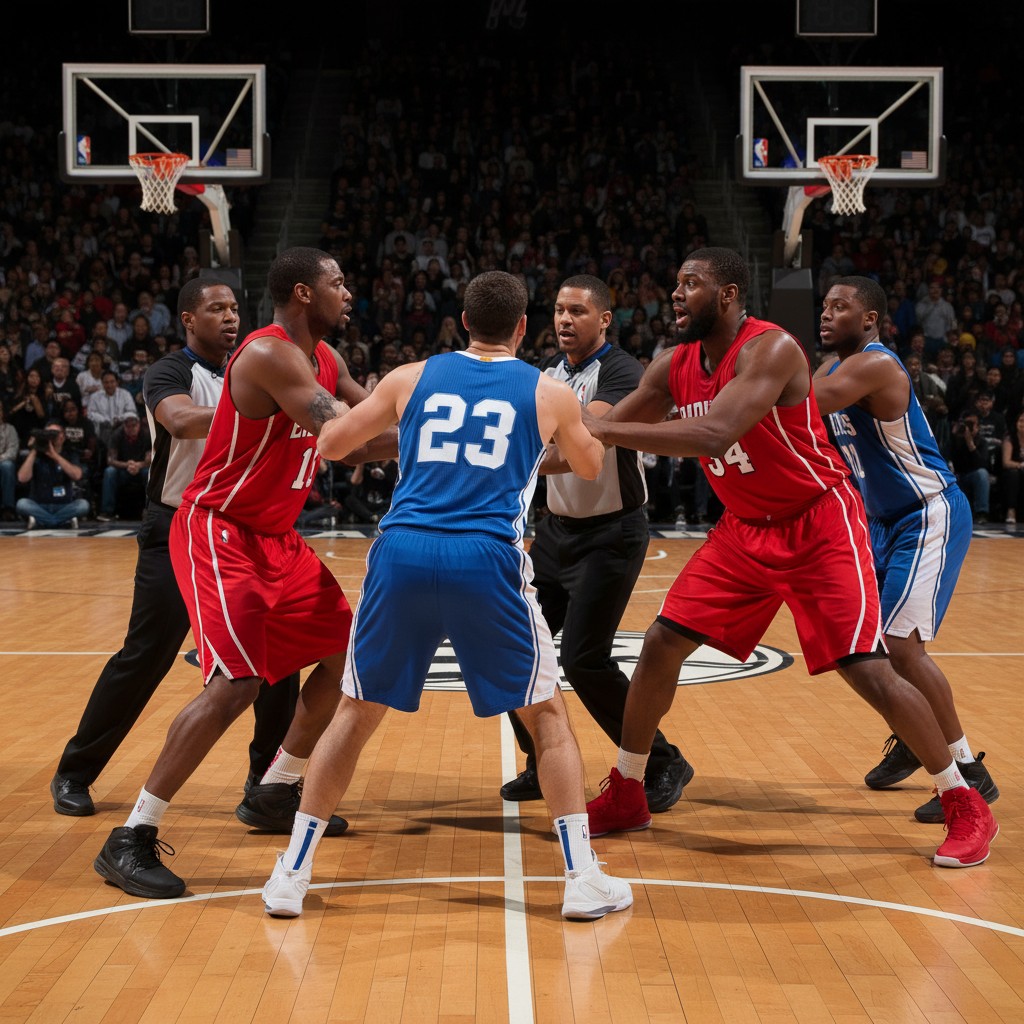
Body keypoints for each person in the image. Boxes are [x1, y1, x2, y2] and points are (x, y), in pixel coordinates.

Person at [581, 248, 998, 870]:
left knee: (869, 666)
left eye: (690, 284)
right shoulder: (672, 366)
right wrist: (536, 447)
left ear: (727, 295)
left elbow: (712, 434)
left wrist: (604, 430)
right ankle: (629, 787)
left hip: (817, 522)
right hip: (743, 529)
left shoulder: (772, 348)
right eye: (676, 283)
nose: (676, 294)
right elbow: (598, 434)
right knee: (662, 643)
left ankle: (964, 800)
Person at [261, 271, 632, 921]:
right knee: (547, 717)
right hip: (484, 557)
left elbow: (334, 444)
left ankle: (291, 873)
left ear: (462, 322)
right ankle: (581, 878)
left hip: (402, 552)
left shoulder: (410, 377)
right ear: (523, 328)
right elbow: (590, 465)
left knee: (354, 712)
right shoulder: (548, 391)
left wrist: (397, 424)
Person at [92, 247, 373, 900]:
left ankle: (276, 788)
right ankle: (131, 835)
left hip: (278, 538)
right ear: (303, 293)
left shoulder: (327, 359)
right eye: (337, 283)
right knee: (236, 684)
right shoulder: (270, 353)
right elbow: (346, 435)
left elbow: (376, 421)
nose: (348, 293)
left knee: (350, 658)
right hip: (221, 530)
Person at [50, 279, 301, 818]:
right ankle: (75, 770)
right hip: (175, 526)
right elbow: (182, 421)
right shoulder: (170, 371)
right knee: (147, 655)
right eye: (216, 309)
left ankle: (267, 787)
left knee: (278, 655)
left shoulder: (252, 369)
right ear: (188, 319)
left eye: (234, 308)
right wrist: (266, 406)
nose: (230, 317)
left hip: (243, 529)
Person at [498, 273, 692, 813]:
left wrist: (517, 453)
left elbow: (583, 442)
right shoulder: (548, 371)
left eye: (578, 311)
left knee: (583, 659)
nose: (564, 319)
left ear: (604, 319)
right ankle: (540, 760)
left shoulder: (623, 371)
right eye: (560, 310)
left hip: (611, 533)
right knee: (513, 646)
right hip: (555, 533)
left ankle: (662, 761)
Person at [813, 276, 999, 823]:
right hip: (882, 521)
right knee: (864, 642)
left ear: (869, 319)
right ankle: (915, 738)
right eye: (824, 306)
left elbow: (799, 399)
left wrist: (740, 373)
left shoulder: (875, 365)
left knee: (900, 644)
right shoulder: (832, 368)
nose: (826, 314)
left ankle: (966, 769)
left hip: (926, 512)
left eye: (840, 307)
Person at [15, 421, 91, 529]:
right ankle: (63, 521)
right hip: (39, 505)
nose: (51, 437)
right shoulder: (36, 455)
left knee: (83, 505)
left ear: (63, 437)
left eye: (55, 433)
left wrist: (54, 455)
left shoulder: (70, 453)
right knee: (22, 504)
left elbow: (77, 475)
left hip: (64, 505)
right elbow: (22, 478)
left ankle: (41, 521)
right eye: (48, 433)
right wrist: (35, 449)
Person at [97, 412, 151, 521]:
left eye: (134, 425)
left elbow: (152, 459)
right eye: (128, 426)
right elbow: (110, 460)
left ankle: (150, 510)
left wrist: (139, 465)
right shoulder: (117, 435)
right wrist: (127, 465)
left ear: (139, 424)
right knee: (109, 472)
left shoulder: (146, 434)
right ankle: (107, 512)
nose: (131, 429)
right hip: (123, 469)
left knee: (150, 473)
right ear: (124, 426)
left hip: (141, 469)